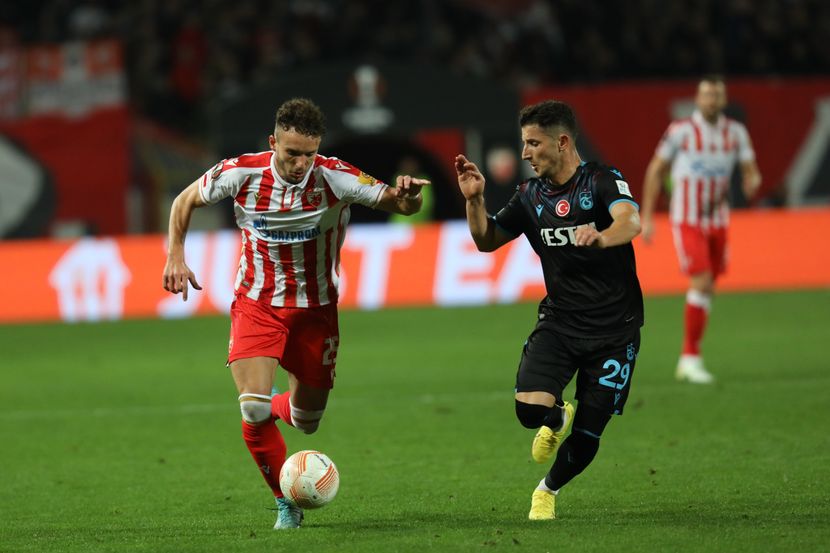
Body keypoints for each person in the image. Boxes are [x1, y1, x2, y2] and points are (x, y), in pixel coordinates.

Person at [162, 98, 427, 529]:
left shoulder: (336, 176)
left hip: (315, 312)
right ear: (273, 143)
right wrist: (175, 254)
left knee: (307, 422)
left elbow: (399, 204)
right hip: (257, 303)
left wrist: (410, 199)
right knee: (252, 408)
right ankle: (287, 501)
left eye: (309, 153)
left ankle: (276, 407)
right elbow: (183, 200)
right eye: (291, 153)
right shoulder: (241, 172)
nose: (301, 163)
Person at [455, 99, 643, 520]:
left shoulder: (601, 181)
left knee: (590, 433)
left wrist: (602, 235)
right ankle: (556, 419)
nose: (524, 152)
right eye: (524, 143)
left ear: (561, 142)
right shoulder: (528, 196)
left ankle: (547, 490)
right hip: (560, 322)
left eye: (533, 143)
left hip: (616, 331)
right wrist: (475, 199)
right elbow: (487, 241)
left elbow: (631, 221)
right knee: (528, 410)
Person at [641, 76, 761, 384]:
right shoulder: (681, 131)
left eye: (717, 95)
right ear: (697, 98)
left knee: (709, 285)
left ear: (723, 100)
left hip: (718, 219)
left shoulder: (735, 132)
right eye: (706, 95)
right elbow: (656, 169)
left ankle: (691, 357)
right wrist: (648, 215)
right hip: (687, 218)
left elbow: (750, 169)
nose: (711, 100)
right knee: (702, 279)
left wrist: (752, 180)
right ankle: (690, 357)